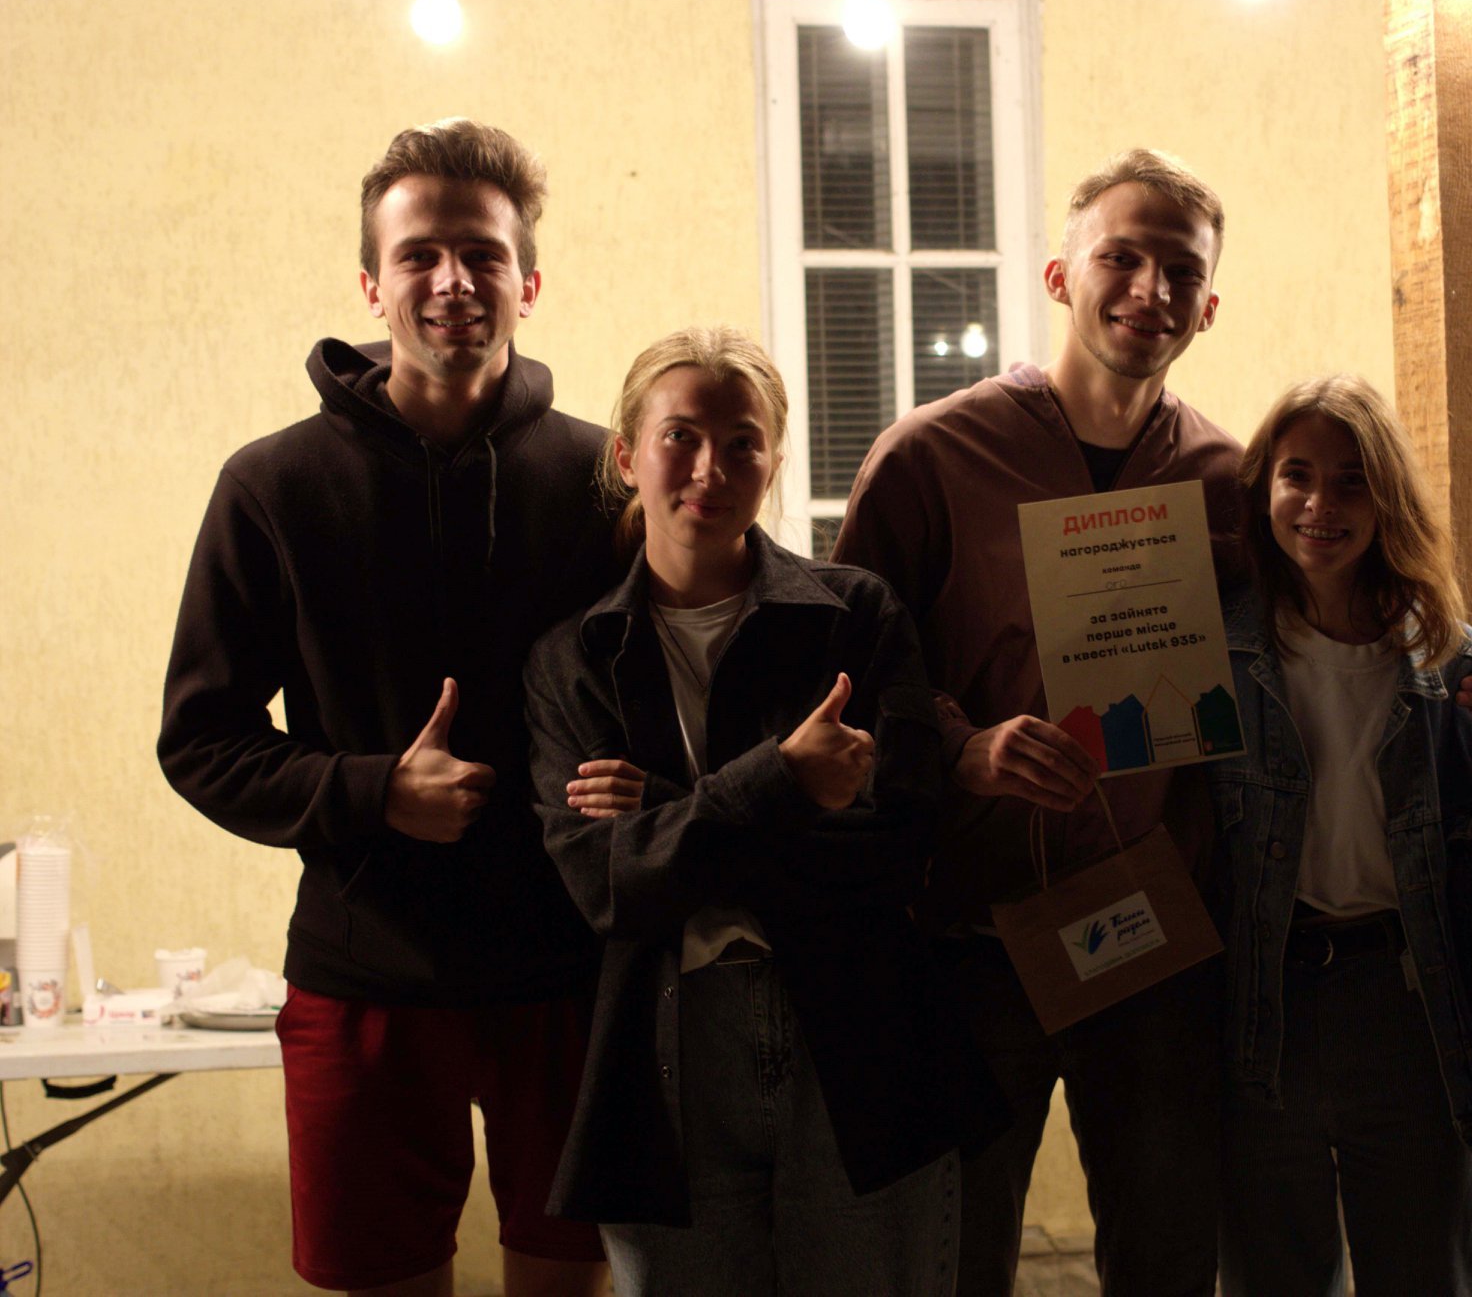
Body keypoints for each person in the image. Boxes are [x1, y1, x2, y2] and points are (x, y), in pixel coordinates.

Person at [157, 119, 612, 1296]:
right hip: (367, 973)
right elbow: (200, 738)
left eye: (483, 253)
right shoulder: (272, 484)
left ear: (529, 283)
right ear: (372, 284)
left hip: (571, 974)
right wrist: (373, 792)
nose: (453, 279)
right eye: (419, 254)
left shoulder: (605, 480)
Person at [832, 149, 1240, 1297]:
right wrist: (960, 745)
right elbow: (848, 667)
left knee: (1167, 1257)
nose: (1150, 289)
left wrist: (1455, 664)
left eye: (1181, 270)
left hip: (1153, 936)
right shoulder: (932, 456)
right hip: (971, 934)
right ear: (1061, 276)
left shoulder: (1226, 478)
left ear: (1209, 305)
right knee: (955, 1258)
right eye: (1122, 257)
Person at [524, 327, 997, 1297]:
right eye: (681, 436)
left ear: (775, 461)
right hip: (665, 1049)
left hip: (863, 1036)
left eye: (742, 442)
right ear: (627, 455)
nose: (711, 468)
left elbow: (897, 850)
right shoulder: (573, 660)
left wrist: (668, 812)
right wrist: (781, 780)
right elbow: (609, 885)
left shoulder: (856, 616)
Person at [1209, 375, 1472, 1296]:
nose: (1319, 505)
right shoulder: (1216, 653)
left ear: (1388, 498)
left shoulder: (1449, 660)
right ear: (1263, 487)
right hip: (1262, 1004)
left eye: (1350, 481)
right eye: (1297, 475)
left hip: (1409, 1007)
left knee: (1425, 1275)